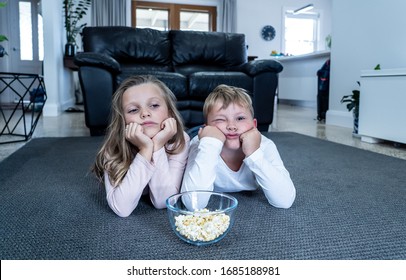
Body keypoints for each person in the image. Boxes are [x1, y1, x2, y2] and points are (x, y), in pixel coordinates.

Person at [181, 84, 296, 208]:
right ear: (207, 128)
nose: (232, 126)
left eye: (240, 118)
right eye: (220, 119)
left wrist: (254, 154)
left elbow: (285, 201)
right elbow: (193, 204)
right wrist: (210, 145)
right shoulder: (201, 145)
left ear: (254, 125)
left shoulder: (265, 145)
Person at [93, 75, 190, 217]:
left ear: (169, 111)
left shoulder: (180, 141)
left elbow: (163, 201)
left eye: (154, 105)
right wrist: (145, 150)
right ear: (123, 120)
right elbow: (122, 208)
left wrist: (157, 146)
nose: (145, 113)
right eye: (133, 110)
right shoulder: (114, 147)